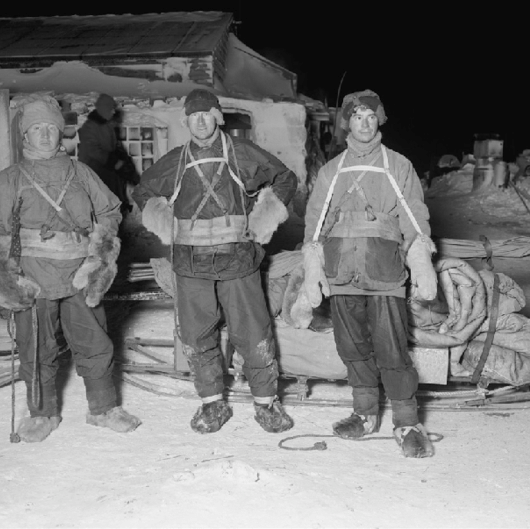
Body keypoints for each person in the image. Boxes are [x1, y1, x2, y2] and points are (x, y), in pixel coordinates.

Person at [0, 94, 141, 443]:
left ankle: (103, 408)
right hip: (32, 275)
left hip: (80, 272)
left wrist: (99, 259)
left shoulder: (81, 173)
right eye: (37, 129)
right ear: (25, 136)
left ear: (61, 132)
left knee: (95, 341)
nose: (46, 136)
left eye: (51, 128)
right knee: (36, 346)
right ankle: (42, 413)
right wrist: (7, 278)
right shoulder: (9, 180)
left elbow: (110, 212)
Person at [132, 88, 297, 434]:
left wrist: (264, 218)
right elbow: (143, 191)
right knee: (196, 335)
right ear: (186, 121)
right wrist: (165, 223)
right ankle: (212, 404)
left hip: (238, 261)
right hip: (191, 265)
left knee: (253, 332)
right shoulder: (176, 161)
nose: (201, 121)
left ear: (218, 117)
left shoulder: (241, 154)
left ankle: (267, 403)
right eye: (194, 115)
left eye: (207, 113)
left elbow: (285, 178)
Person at [298, 89, 438, 458]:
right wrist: (313, 264)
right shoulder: (332, 171)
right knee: (352, 347)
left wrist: (420, 258)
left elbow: (415, 219)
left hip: (384, 272)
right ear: (347, 122)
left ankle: (407, 421)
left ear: (379, 121)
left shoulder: (398, 166)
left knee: (392, 348)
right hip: (342, 272)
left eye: (370, 116)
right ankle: (364, 413)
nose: (364, 122)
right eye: (357, 116)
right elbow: (316, 224)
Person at [77, 93, 137, 212]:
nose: (114, 112)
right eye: (111, 109)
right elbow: (92, 150)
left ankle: (119, 212)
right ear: (104, 109)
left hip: (106, 166)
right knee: (104, 196)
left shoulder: (107, 124)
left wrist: (122, 159)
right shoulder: (89, 127)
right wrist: (113, 161)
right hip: (94, 169)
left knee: (117, 185)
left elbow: (113, 145)